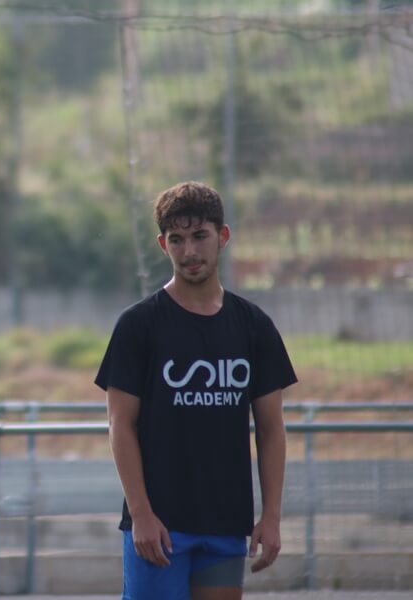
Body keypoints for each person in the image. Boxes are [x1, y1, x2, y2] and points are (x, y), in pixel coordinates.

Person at [95, 181, 296, 600]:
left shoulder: (253, 326)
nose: (189, 252)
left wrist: (271, 516)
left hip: (225, 523)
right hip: (160, 528)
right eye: (177, 239)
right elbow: (120, 425)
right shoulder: (138, 326)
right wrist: (141, 514)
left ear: (222, 237)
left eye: (200, 237)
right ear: (162, 244)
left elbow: (272, 428)